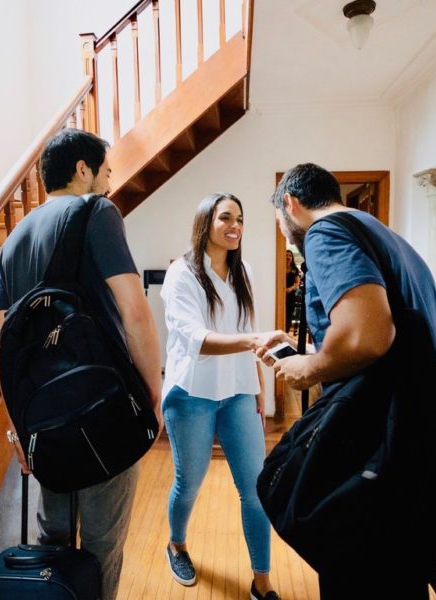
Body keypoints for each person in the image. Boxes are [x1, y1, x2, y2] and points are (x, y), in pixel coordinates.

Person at [259, 163, 436, 599]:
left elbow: (366, 336)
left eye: (280, 224)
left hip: (383, 464)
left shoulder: (324, 234)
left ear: (291, 206)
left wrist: (306, 369)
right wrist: (316, 352)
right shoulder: (385, 236)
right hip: (429, 457)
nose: (285, 235)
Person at [0, 128, 162, 600]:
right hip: (103, 406)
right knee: (104, 542)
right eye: (106, 172)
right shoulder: (96, 211)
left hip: (43, 419)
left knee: (53, 541)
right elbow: (135, 310)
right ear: (82, 169)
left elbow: (5, 346)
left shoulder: (12, 242)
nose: (108, 183)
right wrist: (153, 392)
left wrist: (19, 429)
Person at [159, 193, 283, 600]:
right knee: (189, 482)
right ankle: (176, 545)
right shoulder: (182, 274)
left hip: (237, 394)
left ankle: (261, 581)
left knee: (256, 487)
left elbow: (250, 325)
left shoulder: (242, 270)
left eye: (240, 219)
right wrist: (255, 340)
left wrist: (259, 389)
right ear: (205, 223)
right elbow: (197, 340)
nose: (235, 226)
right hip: (190, 394)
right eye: (225, 217)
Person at [284, 250, 301, 332]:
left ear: (292, 258)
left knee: (289, 315)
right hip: (280, 294)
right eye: (286, 255)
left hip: (290, 295)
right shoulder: (280, 267)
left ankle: (286, 332)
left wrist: (290, 289)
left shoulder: (295, 269)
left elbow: (297, 283)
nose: (288, 257)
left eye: (290, 255)